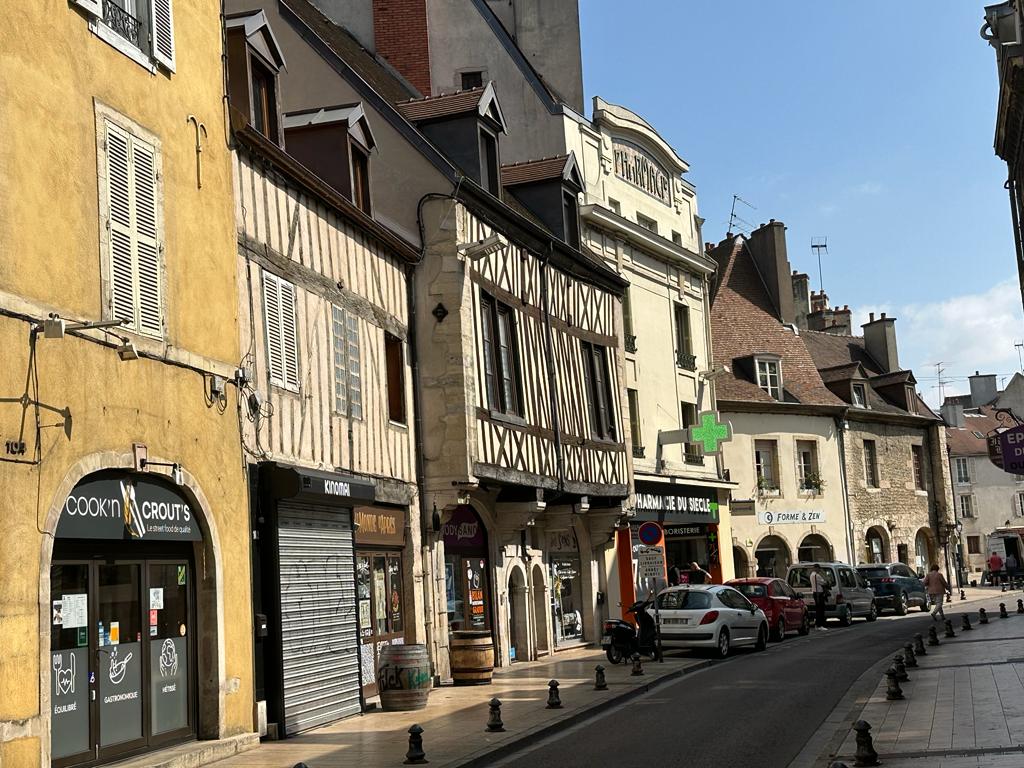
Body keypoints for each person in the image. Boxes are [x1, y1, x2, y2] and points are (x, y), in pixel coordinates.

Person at [809, 564, 829, 630]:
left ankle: (817, 625)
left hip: (815, 593)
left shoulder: (811, 575)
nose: (819, 570)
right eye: (819, 568)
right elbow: (823, 583)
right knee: (821, 609)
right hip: (819, 594)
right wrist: (826, 582)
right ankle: (820, 625)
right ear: (816, 568)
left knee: (818, 609)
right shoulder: (816, 576)